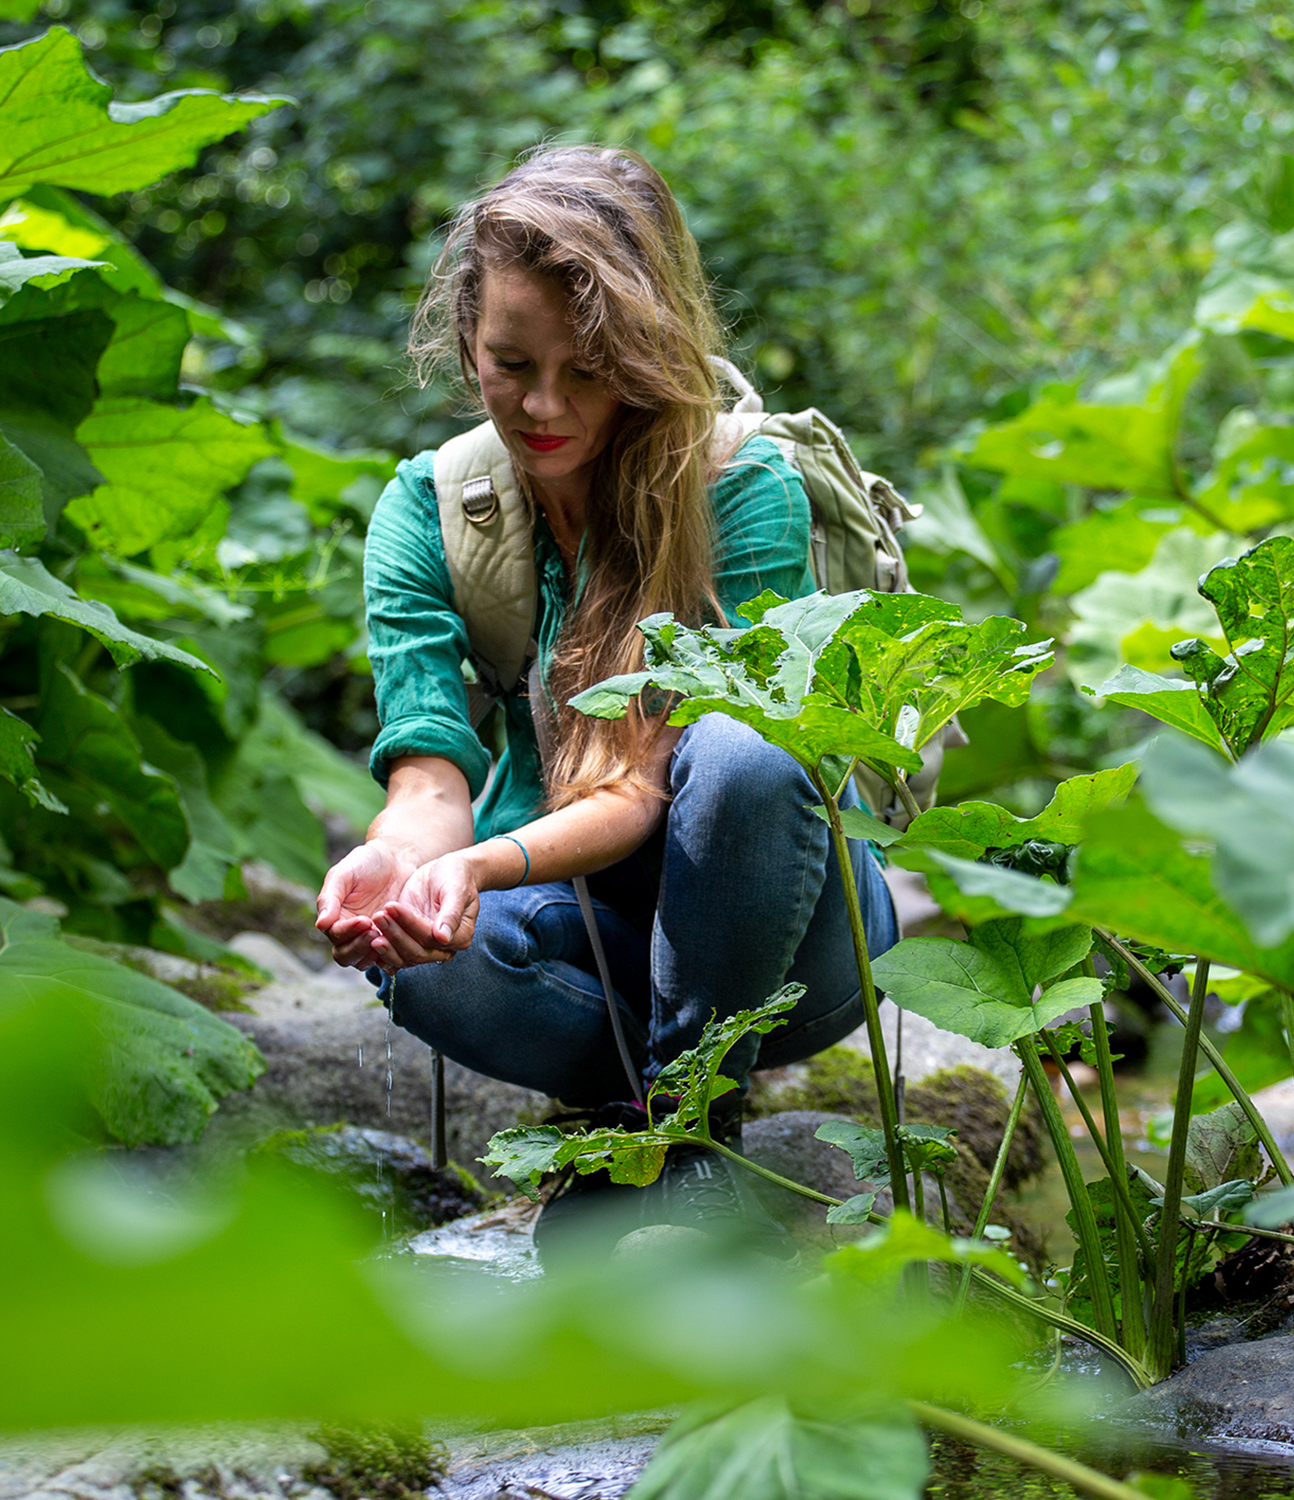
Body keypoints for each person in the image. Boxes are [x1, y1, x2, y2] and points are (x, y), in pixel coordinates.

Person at [314, 145, 896, 1254]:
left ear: (647, 353)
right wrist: (399, 862)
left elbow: (644, 784)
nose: (544, 405)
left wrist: (482, 866)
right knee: (418, 966)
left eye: (587, 371)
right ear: (468, 342)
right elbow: (429, 776)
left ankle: (690, 1129)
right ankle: (638, 1120)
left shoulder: (744, 489)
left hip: (788, 937)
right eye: (510, 363)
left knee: (746, 754)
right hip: (586, 930)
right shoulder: (429, 510)